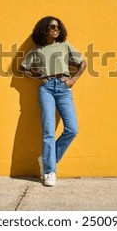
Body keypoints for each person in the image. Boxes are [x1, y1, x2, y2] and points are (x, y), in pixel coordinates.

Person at [19, 16, 87, 186]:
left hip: (64, 88)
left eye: (58, 27)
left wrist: (73, 80)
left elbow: (83, 63)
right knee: (48, 129)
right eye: (52, 27)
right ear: (44, 29)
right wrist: (37, 76)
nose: (56, 29)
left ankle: (47, 158)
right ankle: (50, 171)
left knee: (72, 129)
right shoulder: (37, 50)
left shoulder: (65, 46)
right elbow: (22, 69)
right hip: (46, 88)